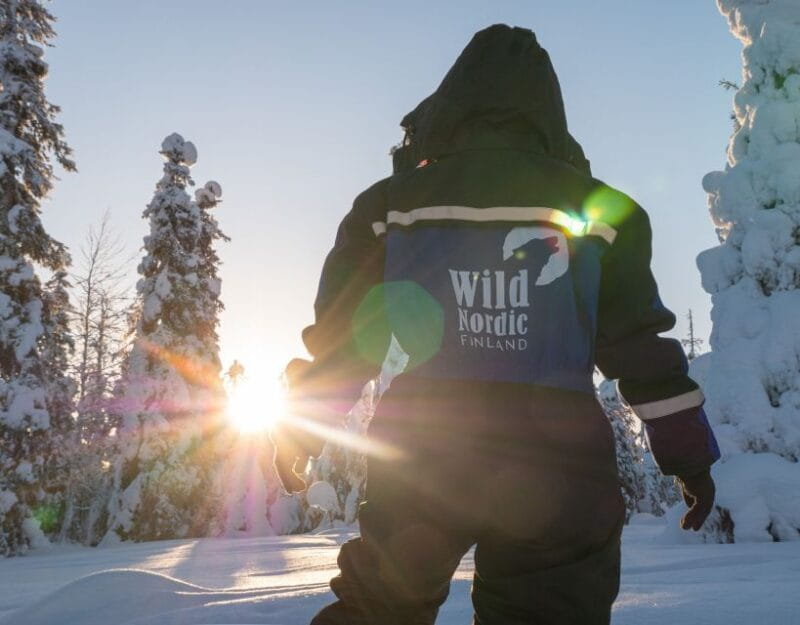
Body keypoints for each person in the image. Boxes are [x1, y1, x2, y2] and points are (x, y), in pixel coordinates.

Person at [272, 24, 720, 625]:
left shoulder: (388, 208)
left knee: (381, 607)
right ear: (549, 115)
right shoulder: (602, 213)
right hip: (558, 463)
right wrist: (689, 455)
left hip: (426, 451)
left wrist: (304, 425)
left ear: (447, 106)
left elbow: (345, 336)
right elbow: (638, 344)